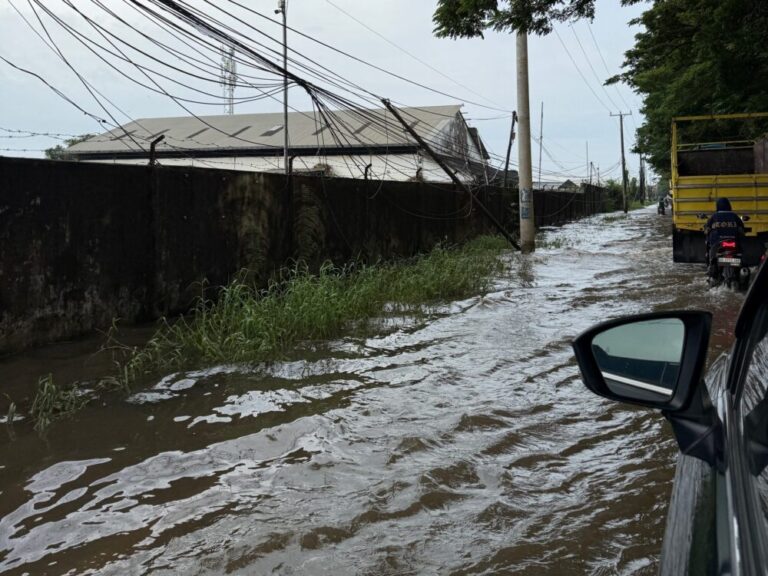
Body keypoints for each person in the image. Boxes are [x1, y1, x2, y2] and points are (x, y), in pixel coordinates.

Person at [704, 197, 745, 277]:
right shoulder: (734, 216)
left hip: (718, 244)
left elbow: (707, 229)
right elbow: (741, 229)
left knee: (712, 259)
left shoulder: (714, 216)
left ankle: (711, 270)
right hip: (734, 244)